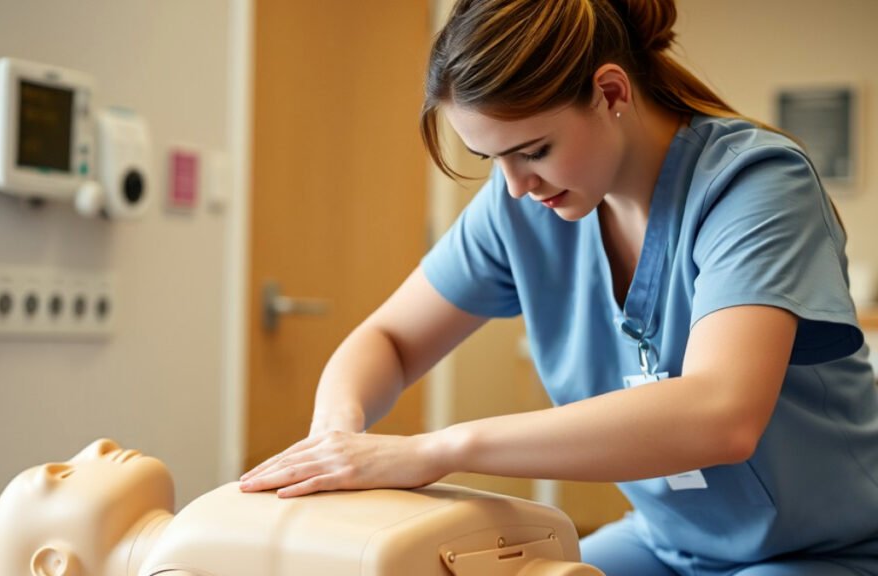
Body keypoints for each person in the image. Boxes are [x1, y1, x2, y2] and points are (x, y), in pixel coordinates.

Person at [237, 0, 878, 574]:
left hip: (823, 549)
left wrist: (436, 450)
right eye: (493, 159)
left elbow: (722, 414)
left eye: (535, 150)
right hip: (667, 542)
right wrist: (334, 435)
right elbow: (391, 340)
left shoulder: (756, 186)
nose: (516, 185)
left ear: (610, 91)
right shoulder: (521, 207)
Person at [0, 438, 603, 576]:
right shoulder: (177, 561)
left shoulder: (203, 521)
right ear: (55, 566)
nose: (99, 447)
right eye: (62, 476)